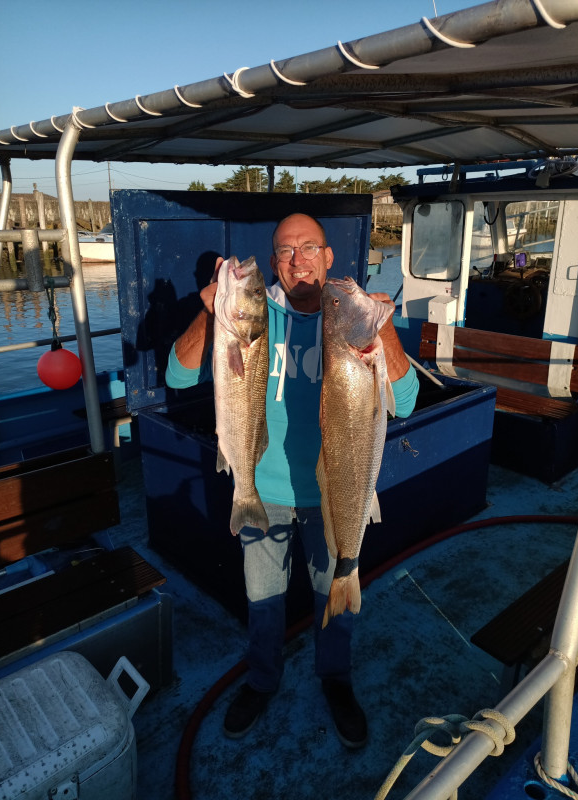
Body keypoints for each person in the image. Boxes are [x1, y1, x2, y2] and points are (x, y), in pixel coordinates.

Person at [165, 213, 419, 748]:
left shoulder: (346, 316)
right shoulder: (256, 315)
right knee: (263, 599)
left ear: (329, 257)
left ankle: (337, 681)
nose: (297, 260)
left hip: (335, 495)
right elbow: (178, 374)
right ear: (275, 260)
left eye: (309, 248)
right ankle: (262, 679)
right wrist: (210, 312)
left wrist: (382, 325)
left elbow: (408, 400)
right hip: (264, 490)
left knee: (336, 593)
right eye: (285, 251)